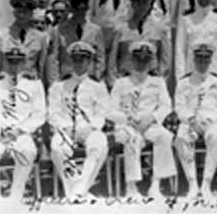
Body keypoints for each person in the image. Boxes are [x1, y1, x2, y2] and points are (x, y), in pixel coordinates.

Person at [108, 41, 176, 200]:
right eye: (138, 60)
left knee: (165, 136)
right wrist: (126, 119)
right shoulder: (121, 83)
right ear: (131, 61)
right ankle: (131, 186)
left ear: (151, 62)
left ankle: (155, 184)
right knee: (132, 138)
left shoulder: (158, 82)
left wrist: (152, 117)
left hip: (149, 124)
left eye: (145, 61)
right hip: (127, 126)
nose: (141, 64)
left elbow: (166, 106)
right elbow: (110, 110)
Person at [48, 41, 110, 201]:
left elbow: (102, 112)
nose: (79, 63)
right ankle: (79, 191)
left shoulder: (98, 85)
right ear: (71, 61)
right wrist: (63, 127)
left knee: (99, 144)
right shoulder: (59, 85)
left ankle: (77, 190)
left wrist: (93, 127)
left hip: (87, 128)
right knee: (57, 147)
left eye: (83, 59)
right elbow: (53, 113)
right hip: (66, 128)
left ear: (89, 62)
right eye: (75, 59)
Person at [174, 41, 217, 201]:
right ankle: (192, 183)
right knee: (181, 137)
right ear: (194, 60)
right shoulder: (184, 82)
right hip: (190, 120)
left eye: (205, 60)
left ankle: (206, 183)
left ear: (210, 61)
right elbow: (179, 106)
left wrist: (210, 119)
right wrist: (191, 119)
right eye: (199, 59)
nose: (202, 63)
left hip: (211, 120)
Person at [0, 46, 46, 202]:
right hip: (1, 133)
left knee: (28, 151)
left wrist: (20, 130)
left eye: (18, 62)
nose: (14, 66)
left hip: (22, 133)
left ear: (24, 62)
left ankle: (16, 194)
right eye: (10, 62)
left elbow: (39, 114)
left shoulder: (34, 84)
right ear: (4, 62)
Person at [108, 0, 170, 87]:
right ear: (132, 4)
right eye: (138, 3)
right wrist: (113, 83)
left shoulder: (159, 28)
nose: (142, 6)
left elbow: (165, 59)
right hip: (126, 79)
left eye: (145, 3)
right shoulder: (121, 29)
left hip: (151, 80)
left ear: (149, 5)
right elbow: (112, 59)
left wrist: (160, 81)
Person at [47, 0, 105, 85]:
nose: (80, 12)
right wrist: (54, 83)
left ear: (87, 8)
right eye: (77, 8)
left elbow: (100, 57)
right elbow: (53, 59)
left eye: (83, 8)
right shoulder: (58, 30)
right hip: (66, 79)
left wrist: (96, 77)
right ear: (70, 9)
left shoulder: (96, 30)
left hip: (88, 79)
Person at [0, 0, 48, 79]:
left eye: (25, 12)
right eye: (19, 11)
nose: (21, 15)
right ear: (14, 13)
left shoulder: (40, 37)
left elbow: (42, 66)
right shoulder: (2, 34)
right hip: (6, 81)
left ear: (31, 14)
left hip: (30, 81)